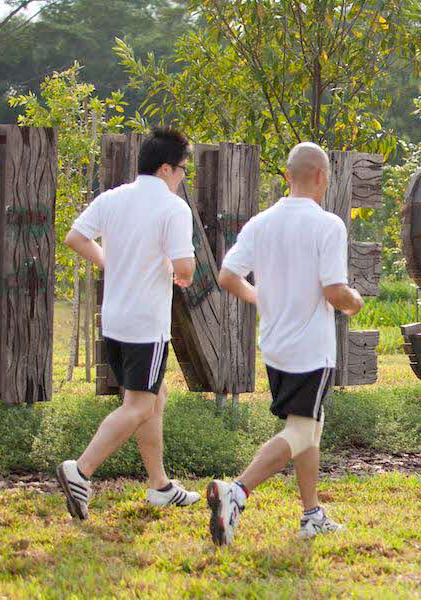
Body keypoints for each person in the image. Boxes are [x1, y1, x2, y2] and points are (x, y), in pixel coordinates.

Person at [207, 142, 364, 546]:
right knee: (301, 431)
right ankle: (237, 491)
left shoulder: (261, 223)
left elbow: (227, 276)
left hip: (275, 345)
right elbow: (334, 291)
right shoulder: (328, 225)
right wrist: (355, 301)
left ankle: (312, 514)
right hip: (311, 348)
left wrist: (260, 298)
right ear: (322, 177)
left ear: (288, 176)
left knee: (309, 425)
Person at [55, 127, 202, 520]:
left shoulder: (113, 198)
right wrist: (183, 272)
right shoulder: (173, 208)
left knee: (156, 396)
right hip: (146, 324)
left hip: (115, 320)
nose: (183, 177)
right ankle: (80, 471)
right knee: (138, 405)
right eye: (183, 169)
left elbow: (75, 238)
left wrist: (111, 262)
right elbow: (185, 267)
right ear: (166, 168)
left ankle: (159, 486)